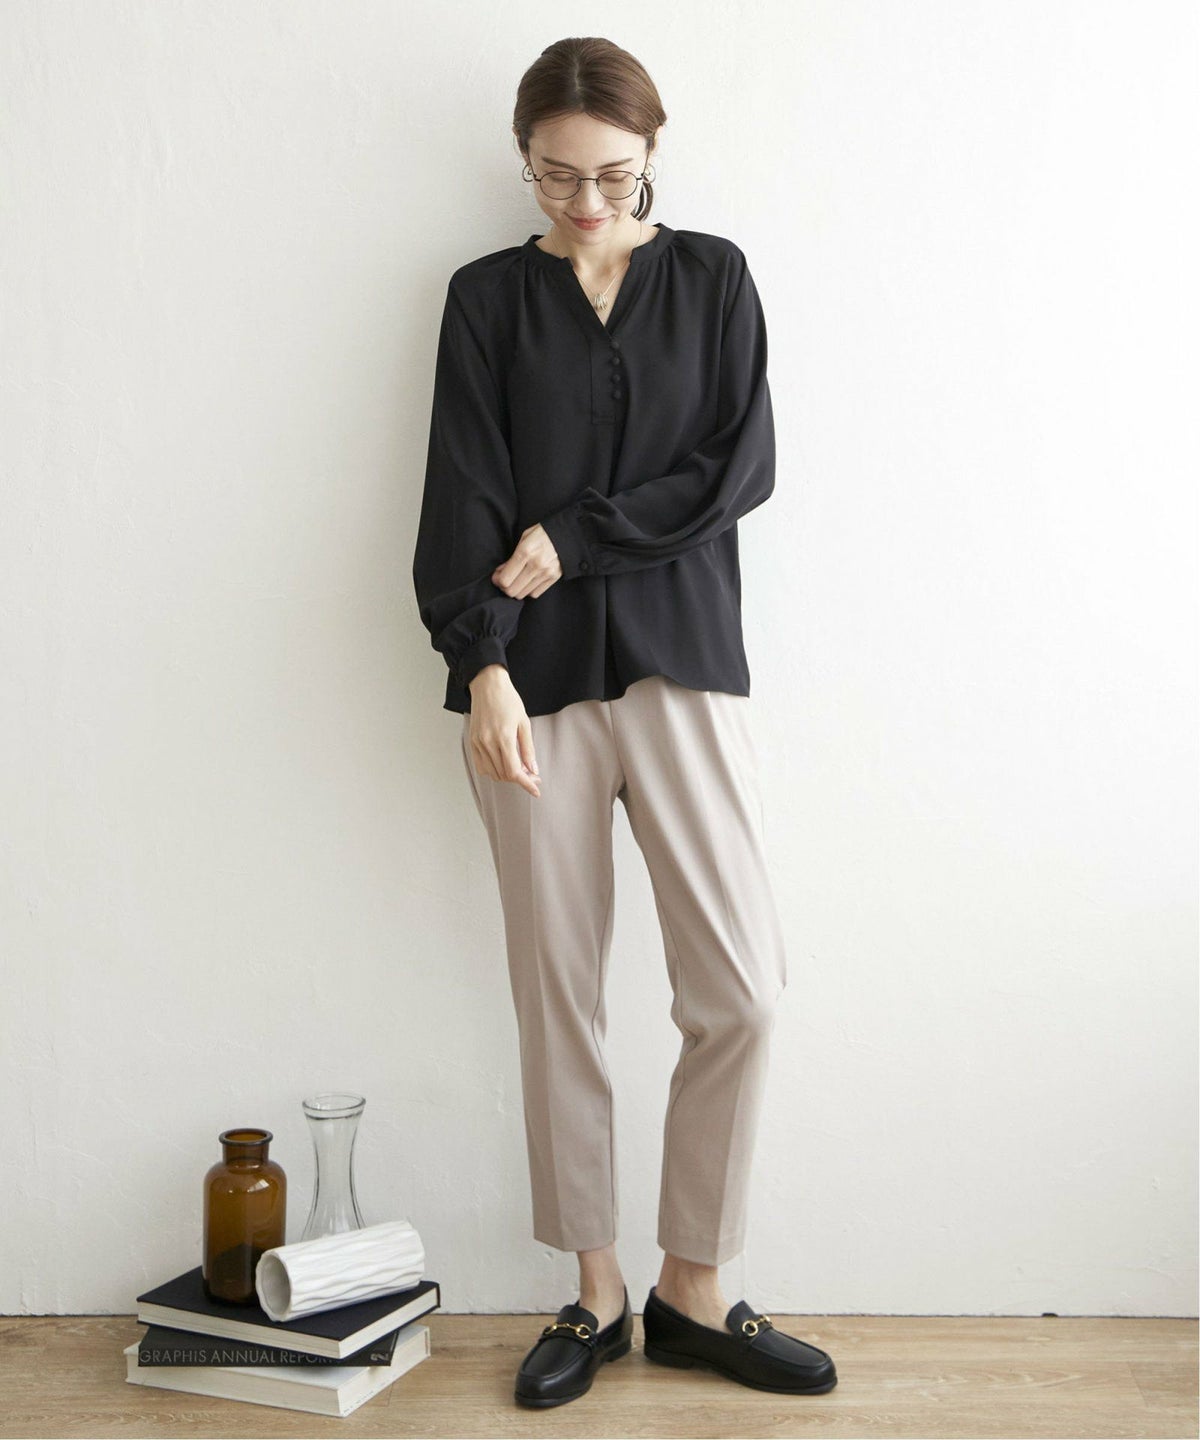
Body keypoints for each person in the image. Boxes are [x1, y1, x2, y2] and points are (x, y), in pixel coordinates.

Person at [412, 35, 838, 1408]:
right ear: (523, 159)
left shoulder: (711, 280)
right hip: (528, 686)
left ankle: (693, 1287)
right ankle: (595, 1291)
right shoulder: (486, 300)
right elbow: (462, 493)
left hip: (680, 669)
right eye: (558, 175)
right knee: (559, 996)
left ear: (652, 157)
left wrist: (578, 536)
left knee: (742, 992)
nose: (587, 202)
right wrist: (480, 666)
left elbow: (736, 468)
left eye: (614, 175)